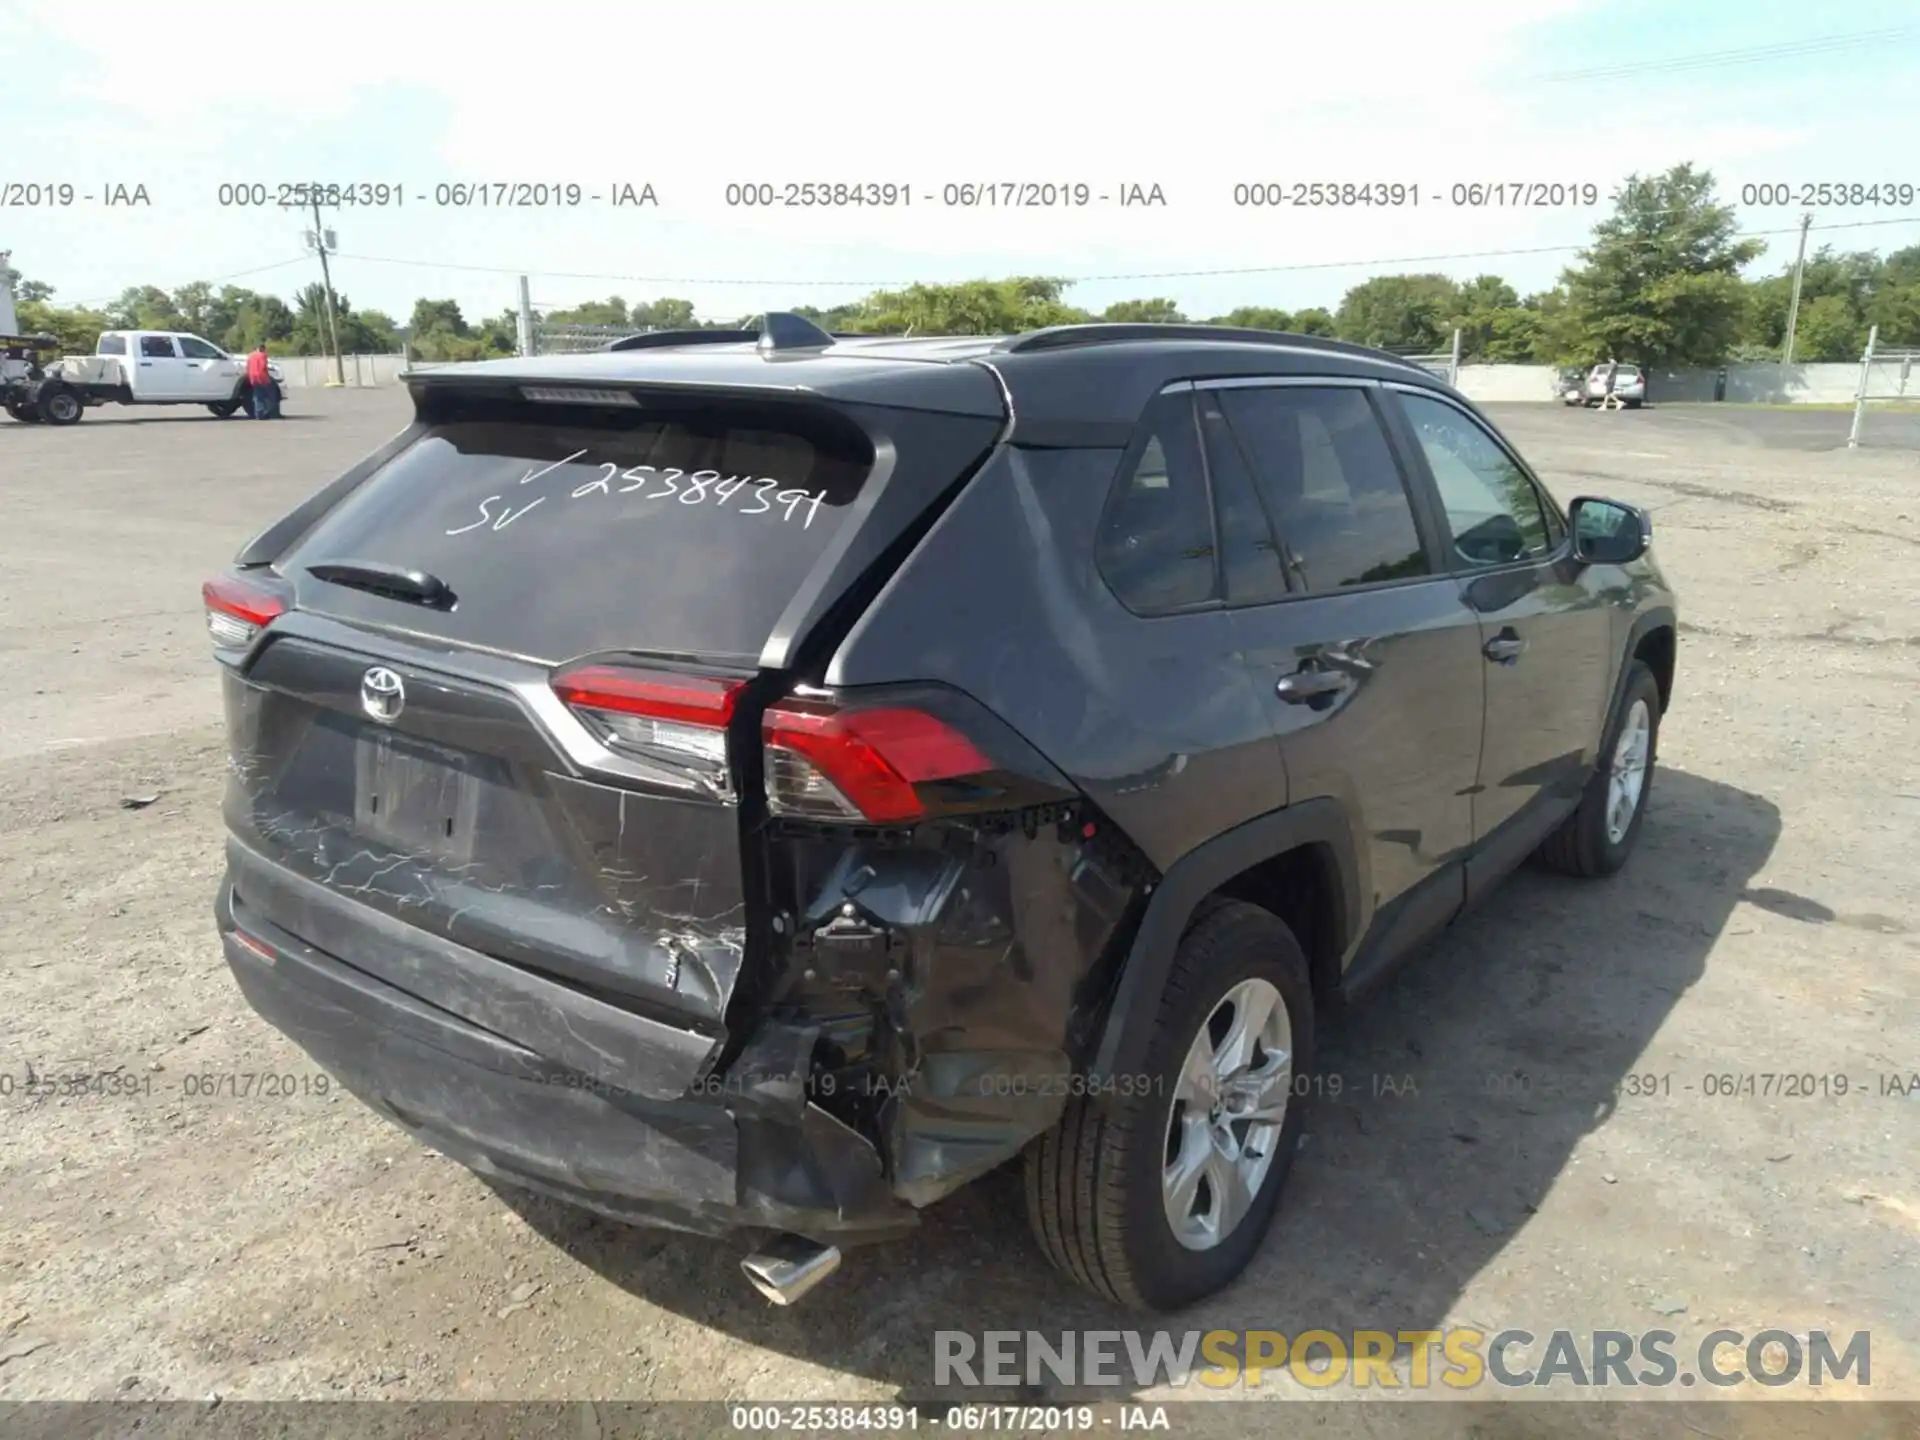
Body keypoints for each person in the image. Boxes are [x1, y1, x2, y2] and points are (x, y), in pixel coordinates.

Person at [245, 342, 279, 419]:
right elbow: (263, 367)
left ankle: (258, 414)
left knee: (257, 396)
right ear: (262, 348)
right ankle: (271, 413)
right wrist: (268, 378)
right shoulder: (262, 355)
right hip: (262, 377)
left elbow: (247, 367)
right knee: (269, 395)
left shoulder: (250, 356)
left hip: (253, 377)